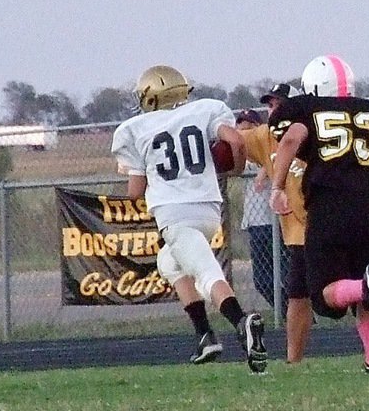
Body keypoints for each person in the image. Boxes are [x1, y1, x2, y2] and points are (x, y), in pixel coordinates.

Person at [110, 64, 267, 372]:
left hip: (174, 215)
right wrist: (232, 170)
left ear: (150, 97)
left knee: (207, 275)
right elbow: (236, 142)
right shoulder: (206, 110)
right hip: (208, 209)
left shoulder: (136, 129)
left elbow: (135, 193)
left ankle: (241, 321)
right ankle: (205, 336)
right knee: (168, 263)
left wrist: (140, 173)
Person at [268, 55, 369, 373]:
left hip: (330, 206)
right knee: (368, 291)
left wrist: (277, 188)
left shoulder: (306, 110)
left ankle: (363, 288)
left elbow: (291, 138)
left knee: (322, 296)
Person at [237, 84, 315, 364]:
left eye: (279, 105)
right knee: (298, 295)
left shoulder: (313, 130)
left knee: (351, 296)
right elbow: (234, 142)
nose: (273, 111)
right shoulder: (265, 137)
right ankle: (293, 362)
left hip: (328, 224)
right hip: (297, 234)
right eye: (270, 106)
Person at [234, 107, 291, 317]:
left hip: (274, 221)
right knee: (262, 280)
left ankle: (299, 314)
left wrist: (264, 171)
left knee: (287, 274)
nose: (244, 135)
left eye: (249, 129)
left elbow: (274, 158)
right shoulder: (244, 156)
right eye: (240, 130)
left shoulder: (269, 152)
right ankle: (287, 314)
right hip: (255, 223)